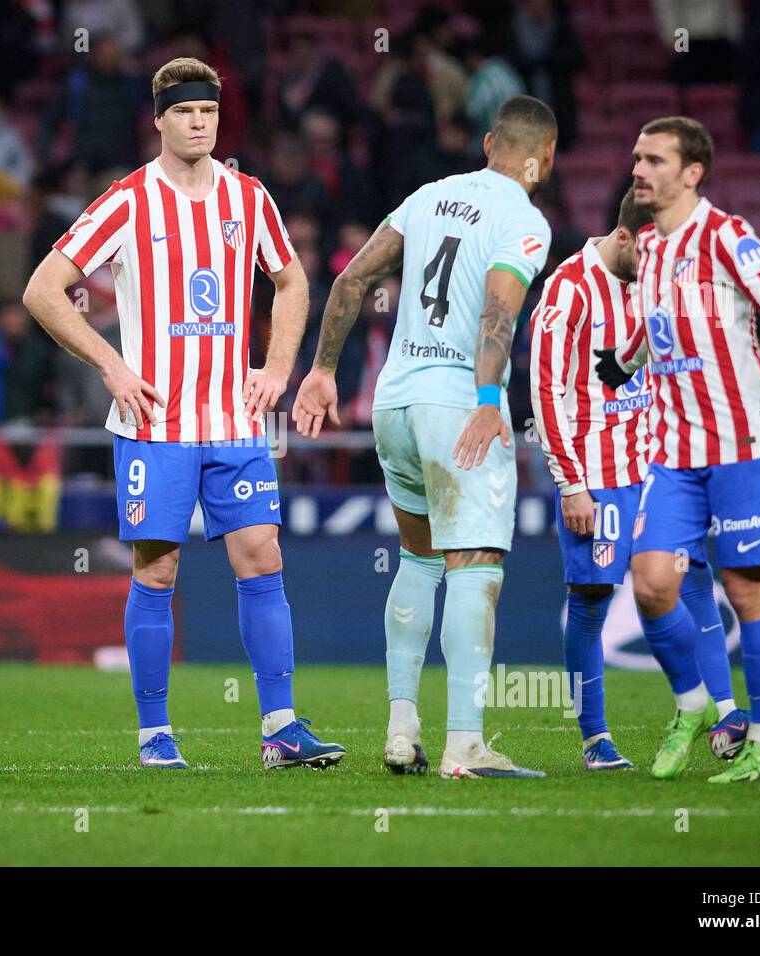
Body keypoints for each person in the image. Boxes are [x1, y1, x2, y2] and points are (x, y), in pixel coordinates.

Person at [23, 56, 346, 771]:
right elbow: (44, 290)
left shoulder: (250, 198)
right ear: (160, 119)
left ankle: (281, 728)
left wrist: (278, 368)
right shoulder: (128, 199)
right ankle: (154, 734)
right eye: (185, 113)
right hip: (155, 424)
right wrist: (110, 364)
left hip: (235, 420)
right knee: (159, 570)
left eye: (209, 113)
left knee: (263, 555)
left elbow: (291, 280)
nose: (199, 123)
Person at [294, 95, 558, 779]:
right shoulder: (524, 219)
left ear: (488, 143)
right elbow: (499, 311)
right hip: (455, 405)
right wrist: (490, 399)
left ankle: (401, 728)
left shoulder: (429, 195)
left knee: (418, 560)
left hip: (394, 400)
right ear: (546, 157)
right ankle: (465, 744)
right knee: (476, 567)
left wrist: (322, 371)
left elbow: (353, 277)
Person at [596, 116, 760, 782]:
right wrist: (622, 364)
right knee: (652, 583)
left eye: (654, 159)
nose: (639, 169)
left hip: (743, 445)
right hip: (674, 453)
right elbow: (654, 327)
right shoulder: (650, 248)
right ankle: (693, 705)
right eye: (636, 157)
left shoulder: (727, 236)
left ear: (692, 173)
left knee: (746, 593)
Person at [529, 189, 740, 771]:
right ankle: (596, 740)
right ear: (623, 237)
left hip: (658, 466)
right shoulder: (569, 289)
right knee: (591, 603)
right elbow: (547, 391)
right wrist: (570, 482)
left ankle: (723, 716)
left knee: (692, 580)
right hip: (597, 474)